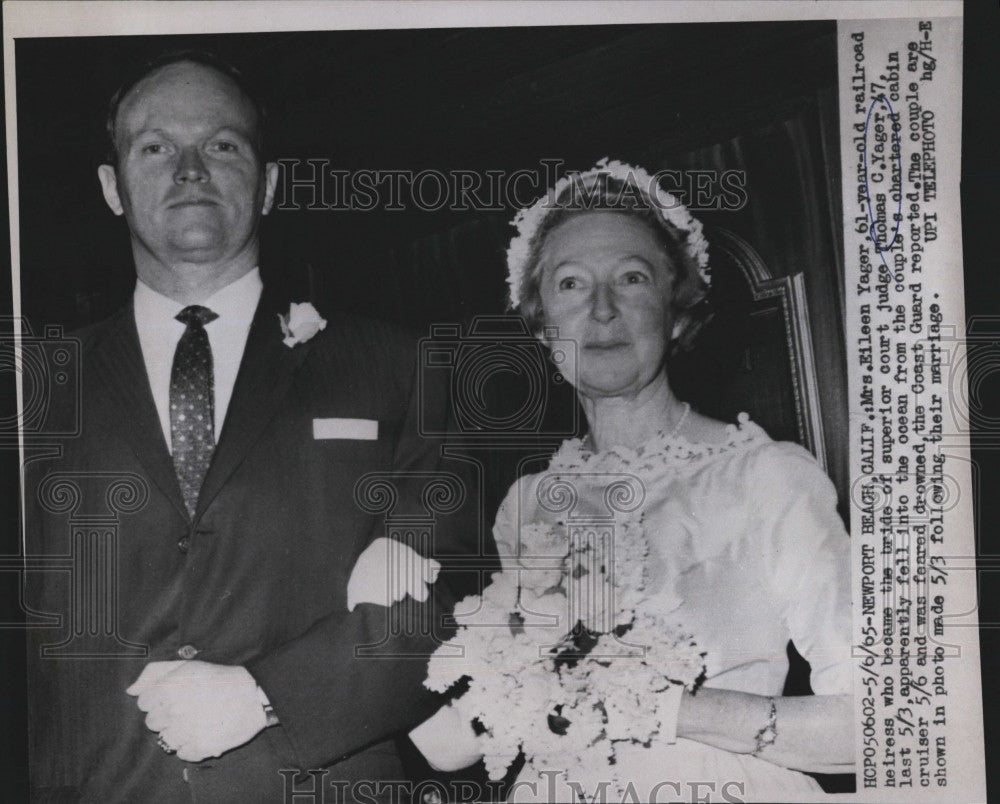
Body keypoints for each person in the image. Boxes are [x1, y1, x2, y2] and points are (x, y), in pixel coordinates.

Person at [25, 51, 478, 803]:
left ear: (269, 185)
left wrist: (270, 695)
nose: (192, 168)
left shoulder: (401, 367)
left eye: (223, 144)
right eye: (156, 146)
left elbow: (452, 603)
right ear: (112, 187)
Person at [409, 160, 854, 801]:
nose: (602, 309)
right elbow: (493, 721)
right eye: (570, 285)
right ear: (542, 329)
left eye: (631, 278)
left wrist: (661, 705)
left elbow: (880, 725)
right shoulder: (526, 504)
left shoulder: (767, 477)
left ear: (675, 315)